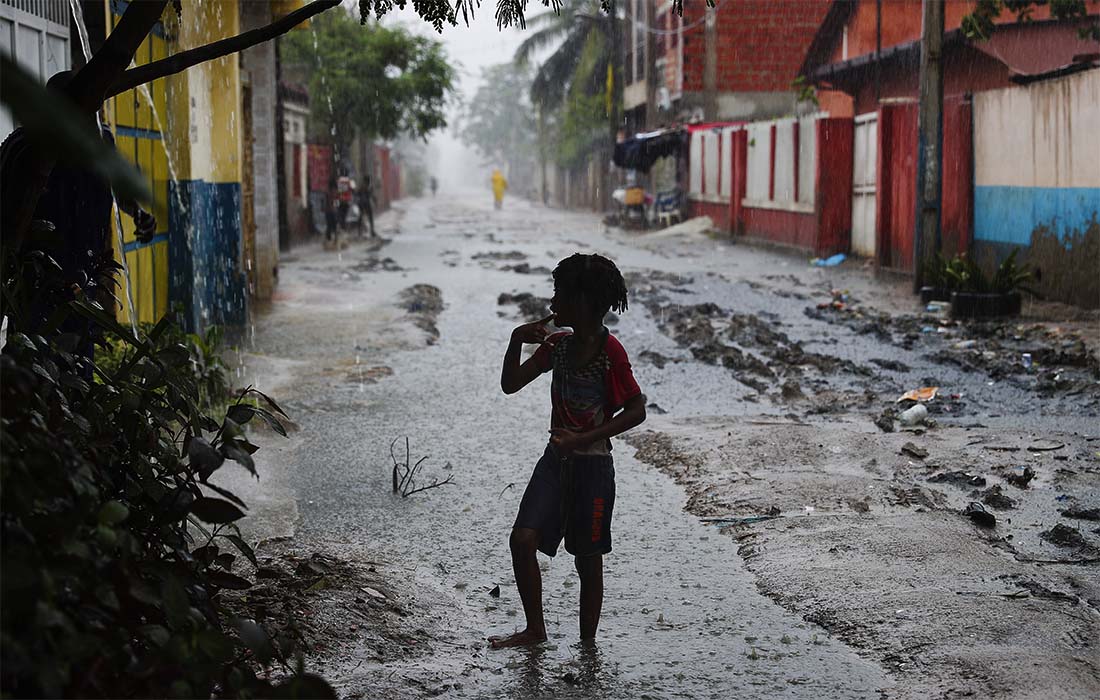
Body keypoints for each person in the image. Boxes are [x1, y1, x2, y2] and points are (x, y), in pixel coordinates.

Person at [490, 253, 647, 648]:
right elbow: (510, 384)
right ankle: (535, 630)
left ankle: (587, 646)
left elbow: (637, 410)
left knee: (587, 560)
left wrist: (580, 439)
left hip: (593, 469)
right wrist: (515, 340)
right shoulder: (557, 346)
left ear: (582, 302)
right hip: (555, 462)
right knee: (522, 540)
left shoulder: (611, 353)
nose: (552, 302)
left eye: (558, 293)